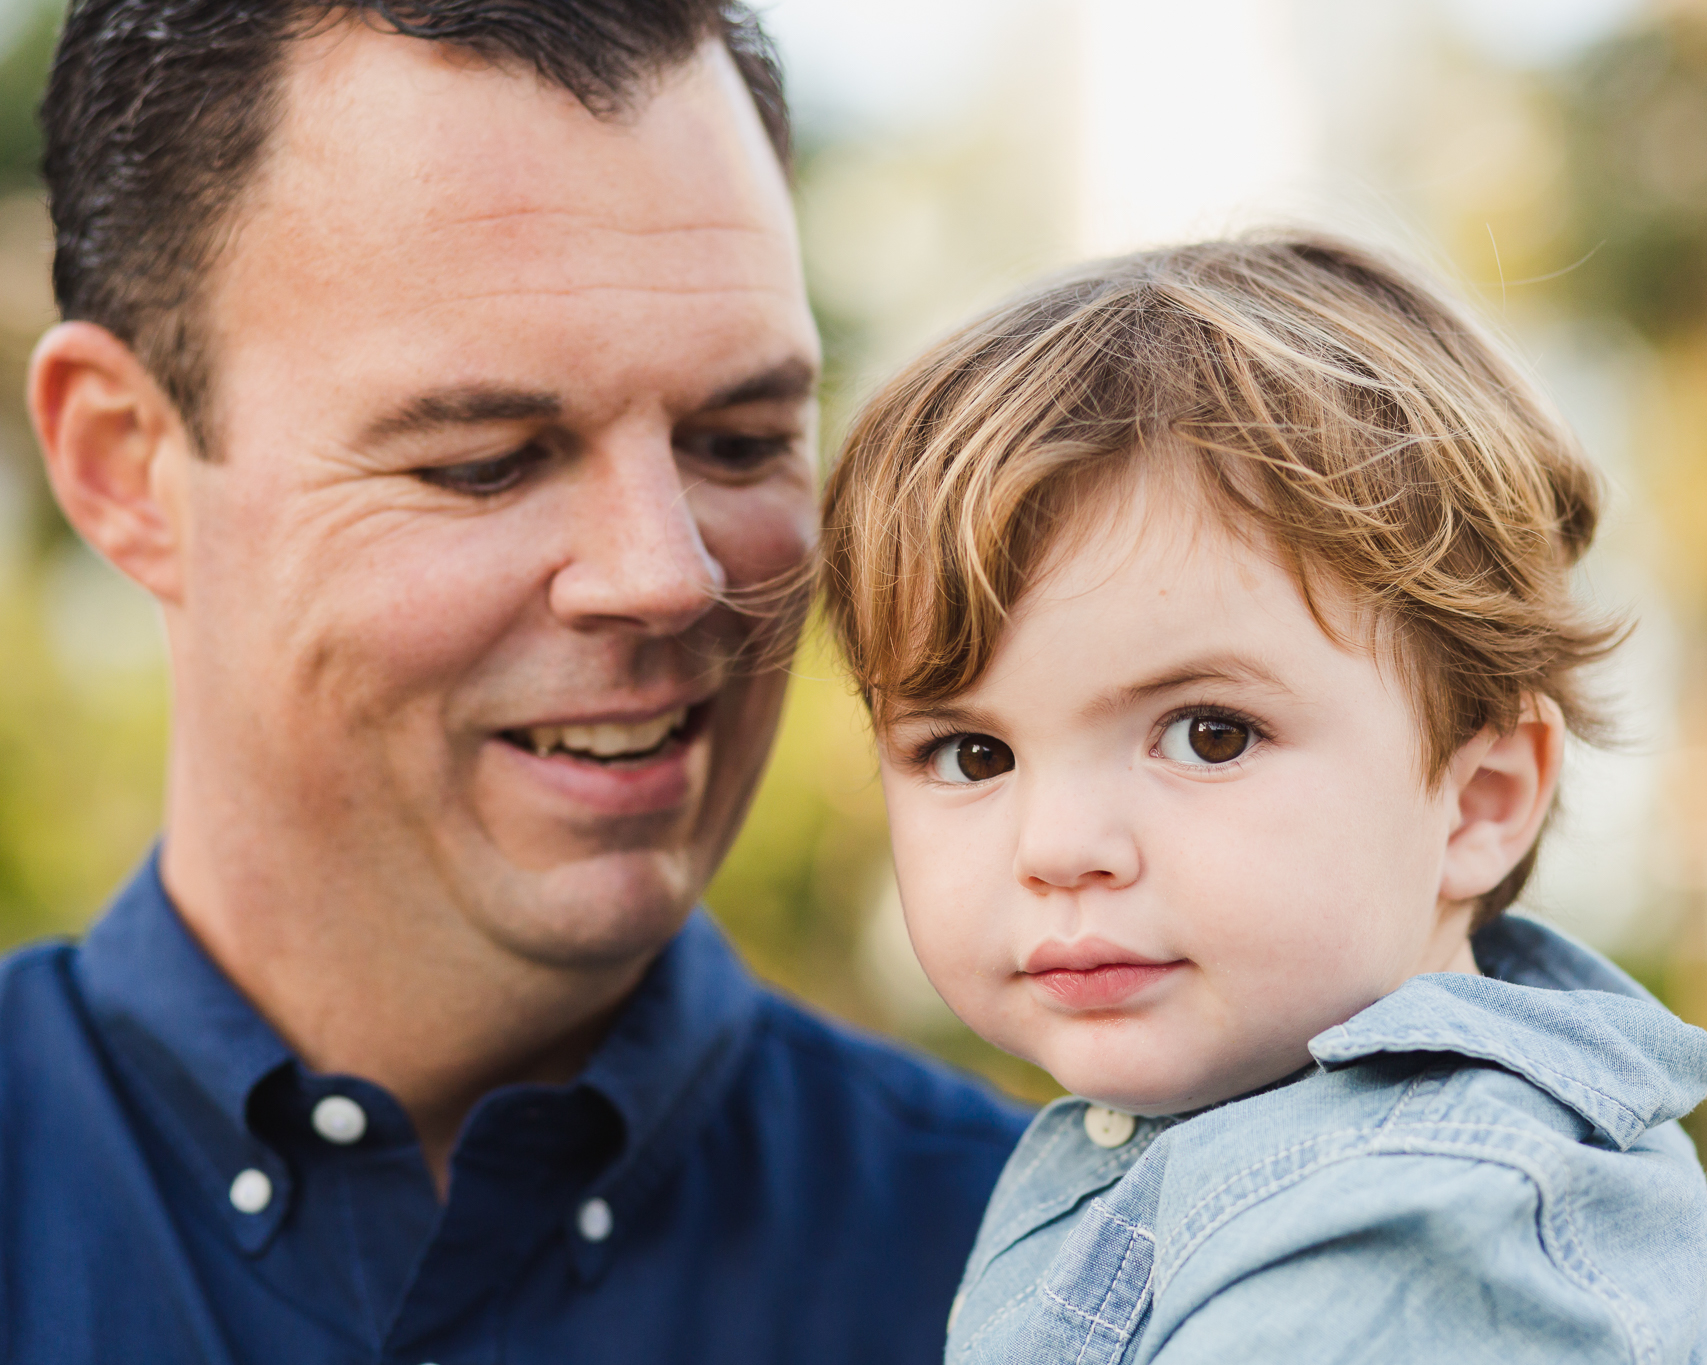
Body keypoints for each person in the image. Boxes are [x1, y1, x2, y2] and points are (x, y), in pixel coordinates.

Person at [0, 2, 1028, 1361]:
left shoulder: (1065, 1285)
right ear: (125, 464)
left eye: (737, 440)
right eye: (486, 459)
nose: (667, 573)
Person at [818, 235, 1707, 1362]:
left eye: (1207, 735)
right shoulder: (1224, 1142)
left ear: (1478, 801)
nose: (1056, 849)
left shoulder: (1410, 1226)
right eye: (970, 755)